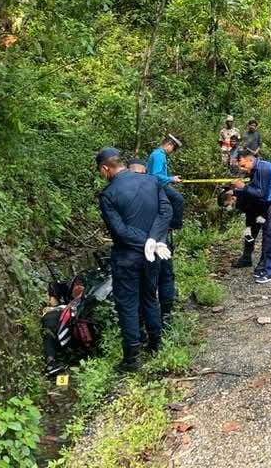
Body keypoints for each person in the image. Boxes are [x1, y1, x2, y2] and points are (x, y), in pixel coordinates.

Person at [96, 147, 171, 372]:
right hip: (153, 254)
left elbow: (119, 231)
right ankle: (156, 344)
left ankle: (132, 359)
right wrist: (153, 239)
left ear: (105, 168)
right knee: (149, 296)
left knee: (128, 304)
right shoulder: (151, 182)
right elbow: (166, 212)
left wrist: (145, 241)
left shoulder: (108, 195)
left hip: (127, 257)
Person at [232, 148, 271, 284]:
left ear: (250, 159)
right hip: (270, 204)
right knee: (268, 236)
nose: (242, 169)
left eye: (243, 165)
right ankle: (263, 267)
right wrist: (236, 191)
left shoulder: (262, 169)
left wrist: (243, 187)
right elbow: (254, 191)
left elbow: (260, 193)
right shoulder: (255, 170)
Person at [146, 135, 185, 323]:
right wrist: (172, 178)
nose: (172, 152)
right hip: (157, 187)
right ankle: (174, 224)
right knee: (178, 199)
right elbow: (156, 176)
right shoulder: (159, 155)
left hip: (157, 188)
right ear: (168, 145)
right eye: (173, 148)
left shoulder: (157, 154)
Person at [218, 188, 269, 269]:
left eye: (227, 205)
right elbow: (249, 212)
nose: (228, 208)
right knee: (248, 236)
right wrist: (248, 226)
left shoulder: (245, 194)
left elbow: (259, 202)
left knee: (267, 237)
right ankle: (246, 259)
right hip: (254, 214)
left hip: (265, 211)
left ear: (233, 198)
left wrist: (263, 218)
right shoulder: (238, 202)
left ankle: (266, 262)